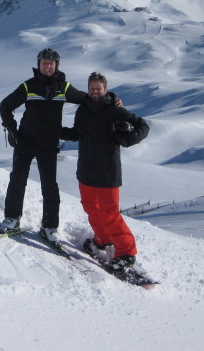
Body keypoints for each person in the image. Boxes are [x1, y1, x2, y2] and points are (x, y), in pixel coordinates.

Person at [0, 49, 120, 246]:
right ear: (39, 64)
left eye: (51, 64)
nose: (48, 66)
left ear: (57, 66)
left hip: (48, 143)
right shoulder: (29, 86)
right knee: (18, 180)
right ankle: (12, 219)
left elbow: (88, 99)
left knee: (50, 186)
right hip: (26, 140)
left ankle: (49, 227)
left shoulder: (63, 88)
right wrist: (11, 130)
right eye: (45, 63)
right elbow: (5, 105)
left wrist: (111, 99)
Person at [61, 71, 149, 273]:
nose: (94, 92)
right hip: (86, 170)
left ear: (105, 90)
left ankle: (127, 253)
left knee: (110, 214)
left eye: (98, 89)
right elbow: (78, 133)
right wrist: (57, 131)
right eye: (91, 88)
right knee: (91, 208)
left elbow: (143, 126)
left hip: (108, 172)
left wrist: (129, 138)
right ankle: (101, 240)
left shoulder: (115, 110)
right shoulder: (83, 110)